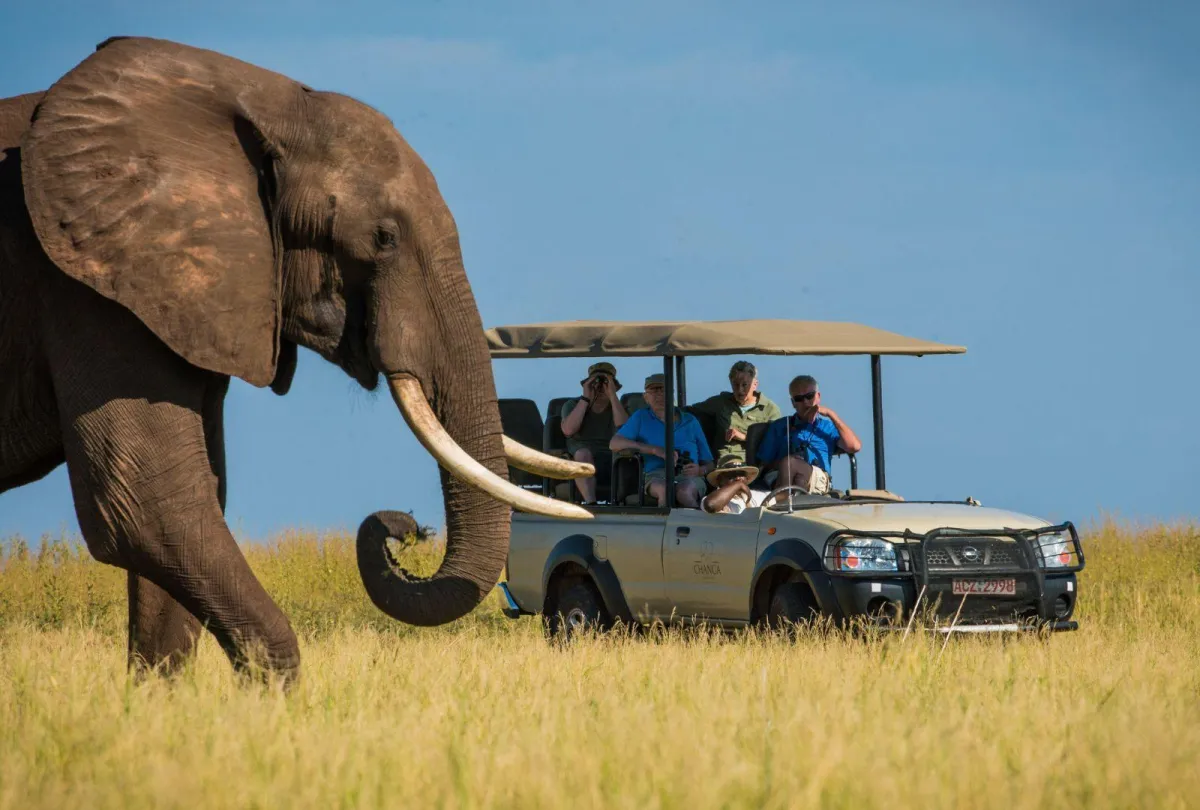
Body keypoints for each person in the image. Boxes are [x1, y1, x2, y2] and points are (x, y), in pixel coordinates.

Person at [610, 373, 714, 508]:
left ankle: (699, 525)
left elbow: (710, 463)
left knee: (684, 493)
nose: (659, 395)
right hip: (656, 475)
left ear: (672, 394)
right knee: (665, 491)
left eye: (663, 390)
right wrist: (654, 450)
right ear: (645, 397)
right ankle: (663, 527)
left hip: (689, 476)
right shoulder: (641, 417)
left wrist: (700, 470)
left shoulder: (690, 420)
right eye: (654, 390)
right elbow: (614, 443)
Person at [755, 375, 862, 495]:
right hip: (781, 476)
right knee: (792, 468)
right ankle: (789, 499)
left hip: (816, 478)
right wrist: (789, 461)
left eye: (809, 396)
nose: (805, 402)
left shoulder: (827, 427)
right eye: (799, 399)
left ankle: (782, 500)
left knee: (792, 466)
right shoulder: (780, 426)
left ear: (818, 397)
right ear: (793, 403)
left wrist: (830, 414)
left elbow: (854, 446)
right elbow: (764, 464)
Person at [560, 361, 629, 504]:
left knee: (625, 458)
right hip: (583, 458)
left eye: (606, 383)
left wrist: (612, 396)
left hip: (612, 458)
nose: (600, 387)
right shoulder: (572, 405)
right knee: (583, 453)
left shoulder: (619, 408)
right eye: (595, 383)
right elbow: (568, 430)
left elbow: (624, 428)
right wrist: (586, 398)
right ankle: (591, 503)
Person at [689, 360, 781, 463]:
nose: (740, 390)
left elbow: (776, 442)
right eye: (735, 385)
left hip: (756, 464)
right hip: (726, 462)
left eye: (744, 385)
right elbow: (690, 411)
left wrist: (745, 437)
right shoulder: (721, 403)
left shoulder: (769, 410)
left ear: (755, 384)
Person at [700, 454, 787, 514]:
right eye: (731, 475)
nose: (738, 478)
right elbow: (711, 505)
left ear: (747, 478)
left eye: (741, 474)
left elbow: (784, 496)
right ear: (719, 480)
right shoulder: (709, 499)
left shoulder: (753, 495)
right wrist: (738, 485)